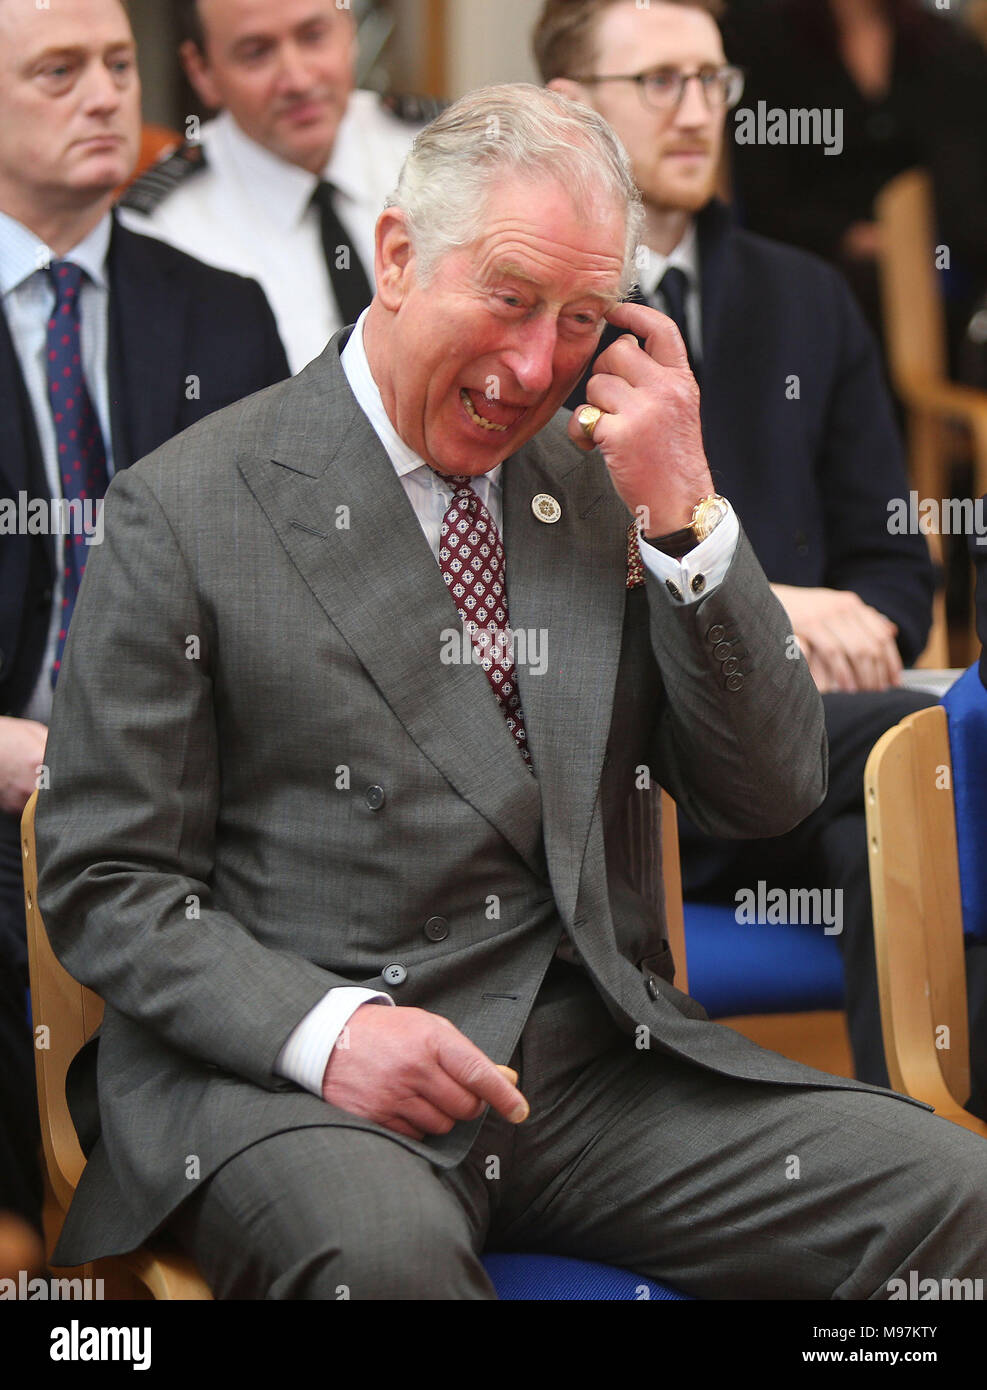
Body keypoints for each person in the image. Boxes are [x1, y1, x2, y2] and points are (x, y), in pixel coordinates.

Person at [35, 84, 987, 1301]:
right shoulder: (186, 510)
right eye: (509, 298)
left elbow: (769, 794)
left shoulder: (606, 477)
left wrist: (688, 521)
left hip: (591, 1071)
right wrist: (330, 1032)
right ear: (395, 258)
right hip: (299, 1089)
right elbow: (107, 879)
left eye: (583, 317)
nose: (536, 365)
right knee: (384, 1267)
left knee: (955, 1204)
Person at [536, 0, 936, 1086]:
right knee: (939, 750)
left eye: (714, 81)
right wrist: (776, 606)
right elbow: (535, 588)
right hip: (626, 766)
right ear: (572, 109)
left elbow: (895, 571)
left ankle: (925, 1146)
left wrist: (812, 634)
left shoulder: (807, 296)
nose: (698, 110)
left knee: (906, 833)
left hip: (809, 768)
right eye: (660, 81)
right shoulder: (530, 315)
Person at [0, 0, 289, 1234]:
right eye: (58, 70)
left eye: (119, 64)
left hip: (198, 774)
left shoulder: (222, 311)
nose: (106, 95)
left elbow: (292, 588)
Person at [118, 0, 434, 373]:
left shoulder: (438, 152)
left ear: (349, 28)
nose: (298, 80)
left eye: (313, 37)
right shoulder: (164, 230)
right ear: (201, 71)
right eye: (256, 53)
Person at [725, 0, 987, 368]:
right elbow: (764, 197)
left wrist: (912, 241)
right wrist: (860, 238)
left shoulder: (946, 46)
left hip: (938, 259)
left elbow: (966, 189)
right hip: (813, 262)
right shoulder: (765, 38)